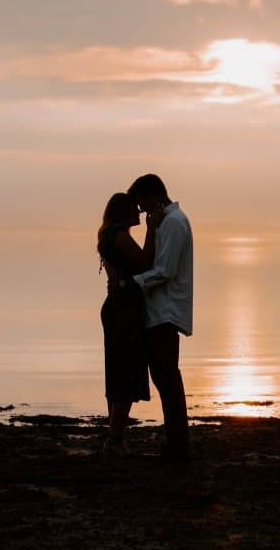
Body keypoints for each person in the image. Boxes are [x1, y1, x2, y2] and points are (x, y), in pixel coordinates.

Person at [128, 174, 194, 462]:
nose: (140, 211)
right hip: (159, 312)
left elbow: (165, 270)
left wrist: (133, 283)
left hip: (165, 313)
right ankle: (176, 439)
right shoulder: (164, 223)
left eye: (141, 203)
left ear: (154, 195)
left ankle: (178, 443)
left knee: (167, 378)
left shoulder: (174, 223)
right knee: (164, 377)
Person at [96, 192, 161, 458]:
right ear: (124, 212)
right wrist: (152, 229)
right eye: (135, 209)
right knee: (125, 373)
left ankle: (115, 436)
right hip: (123, 309)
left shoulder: (106, 234)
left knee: (117, 372)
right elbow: (145, 262)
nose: (139, 212)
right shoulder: (121, 236)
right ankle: (115, 439)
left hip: (116, 305)